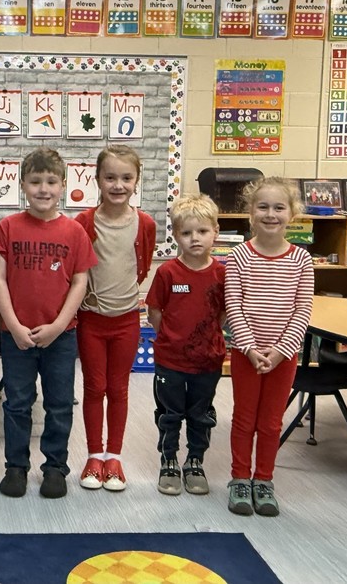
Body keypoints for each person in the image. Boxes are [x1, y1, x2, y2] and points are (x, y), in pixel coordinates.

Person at [0, 147, 97, 499]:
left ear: (63, 185)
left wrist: (56, 326)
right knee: (17, 403)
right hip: (16, 336)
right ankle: (16, 467)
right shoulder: (7, 228)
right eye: (35, 182)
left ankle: (54, 468)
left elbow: (80, 282)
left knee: (60, 403)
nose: (43, 189)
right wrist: (15, 327)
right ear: (23, 185)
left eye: (51, 181)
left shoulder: (75, 232)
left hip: (61, 337)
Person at [225, 176, 313, 517]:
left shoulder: (302, 260)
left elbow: (302, 311)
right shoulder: (238, 257)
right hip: (246, 355)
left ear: (292, 214)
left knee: (271, 422)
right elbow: (234, 306)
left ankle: (263, 480)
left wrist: (279, 352)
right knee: (244, 419)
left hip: (284, 357)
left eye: (279, 207)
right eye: (263, 207)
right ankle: (238, 479)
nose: (271, 214)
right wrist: (249, 349)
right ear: (250, 213)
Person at [73, 145, 156, 492]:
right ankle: (94, 454)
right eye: (110, 177)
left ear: (136, 182)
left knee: (119, 389)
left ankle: (114, 457)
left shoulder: (145, 223)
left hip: (126, 320)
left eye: (126, 178)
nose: (118, 185)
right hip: (91, 319)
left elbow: (142, 266)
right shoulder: (84, 222)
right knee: (95, 387)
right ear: (97, 180)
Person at [145, 194, 226, 496]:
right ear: (176, 235)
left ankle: (195, 461)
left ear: (215, 232)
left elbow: (222, 313)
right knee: (169, 413)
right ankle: (168, 460)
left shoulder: (221, 273)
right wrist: (172, 337)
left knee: (200, 413)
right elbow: (154, 311)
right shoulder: (168, 272)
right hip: (171, 360)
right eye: (187, 232)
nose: (195, 239)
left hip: (208, 360)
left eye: (202, 231)